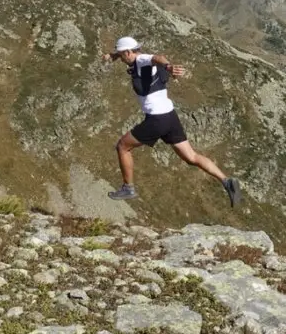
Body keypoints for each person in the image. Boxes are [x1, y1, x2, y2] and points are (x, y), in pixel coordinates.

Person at [101, 35, 243, 206]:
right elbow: (150, 60)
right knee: (191, 156)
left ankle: (128, 188)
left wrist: (169, 66)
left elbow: (156, 58)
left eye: (121, 55)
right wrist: (112, 55)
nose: (121, 59)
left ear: (129, 52)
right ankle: (226, 181)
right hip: (170, 116)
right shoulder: (141, 61)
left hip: (157, 119)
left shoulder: (142, 60)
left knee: (123, 146)